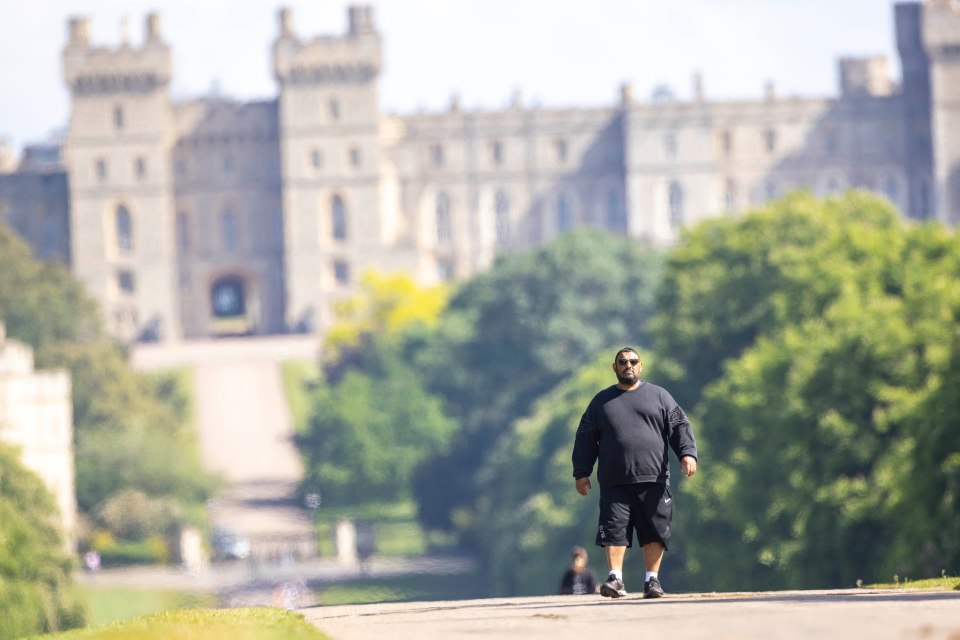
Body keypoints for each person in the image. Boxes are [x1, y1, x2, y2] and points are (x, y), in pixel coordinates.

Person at [572, 347, 698, 599]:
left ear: (640, 366)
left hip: (654, 478)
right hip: (614, 481)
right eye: (622, 362)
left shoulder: (659, 396)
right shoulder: (601, 402)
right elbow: (585, 437)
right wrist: (581, 472)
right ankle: (615, 579)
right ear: (614, 367)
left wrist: (687, 453)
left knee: (654, 531)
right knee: (614, 530)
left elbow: (679, 425)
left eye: (633, 361)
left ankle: (652, 581)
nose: (628, 365)